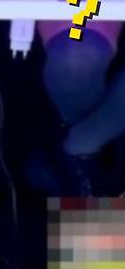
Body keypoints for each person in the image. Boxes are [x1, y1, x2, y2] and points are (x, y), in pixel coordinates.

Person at [35, 20, 125, 195]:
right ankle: (83, 150)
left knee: (76, 61)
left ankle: (81, 150)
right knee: (76, 59)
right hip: (87, 5)